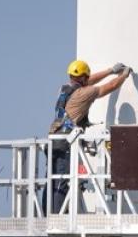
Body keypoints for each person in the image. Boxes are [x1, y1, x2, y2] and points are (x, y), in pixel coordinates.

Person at [44, 60, 132, 213]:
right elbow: (110, 86)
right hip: (66, 143)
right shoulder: (85, 93)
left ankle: (47, 212)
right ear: (83, 77)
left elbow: (88, 81)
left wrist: (110, 70)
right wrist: (124, 75)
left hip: (54, 139)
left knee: (51, 179)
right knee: (61, 181)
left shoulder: (65, 89)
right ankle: (57, 215)